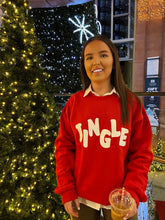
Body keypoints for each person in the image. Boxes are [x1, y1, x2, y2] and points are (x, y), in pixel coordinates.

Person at [54, 35, 153, 220]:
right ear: (83, 64)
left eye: (103, 55)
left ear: (114, 61)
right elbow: (63, 150)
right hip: (81, 198)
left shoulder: (132, 104)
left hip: (122, 201)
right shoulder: (73, 104)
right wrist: (67, 190)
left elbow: (141, 154)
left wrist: (132, 192)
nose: (95, 62)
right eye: (89, 57)